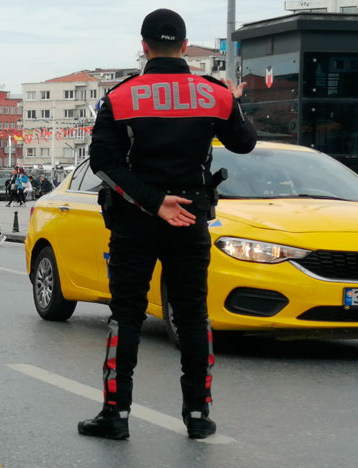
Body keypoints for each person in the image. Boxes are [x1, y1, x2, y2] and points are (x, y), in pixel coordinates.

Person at [78, 8, 256, 441]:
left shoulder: (122, 97)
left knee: (127, 315)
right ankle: (198, 414)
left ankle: (115, 414)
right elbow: (244, 143)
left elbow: (103, 163)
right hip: (190, 216)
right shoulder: (213, 94)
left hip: (135, 218)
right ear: (183, 43)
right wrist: (233, 100)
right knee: (193, 315)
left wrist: (154, 202)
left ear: (143, 46)